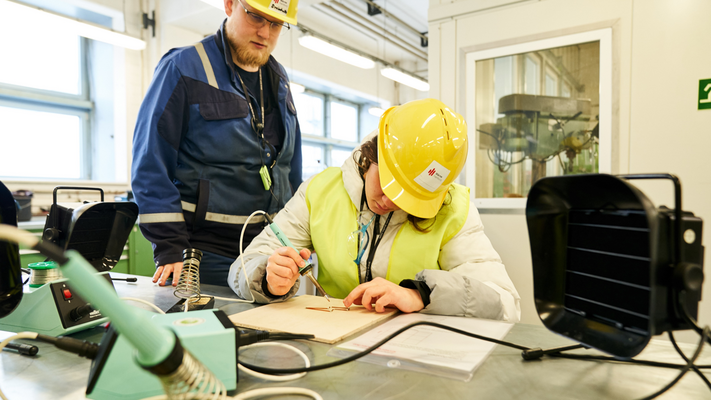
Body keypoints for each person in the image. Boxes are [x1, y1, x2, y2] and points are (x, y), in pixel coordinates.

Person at [228, 99, 521, 320]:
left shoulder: (454, 209)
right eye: (390, 183)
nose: (390, 201)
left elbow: (504, 303)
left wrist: (421, 293)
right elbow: (244, 265)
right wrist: (267, 277)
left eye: (411, 196)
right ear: (372, 155)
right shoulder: (320, 191)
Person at [131, 0, 302, 287]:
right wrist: (169, 246)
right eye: (256, 17)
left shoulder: (278, 79)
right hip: (201, 254)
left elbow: (289, 166)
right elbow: (151, 163)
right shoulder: (183, 68)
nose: (265, 33)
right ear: (230, 5)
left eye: (276, 24)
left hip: (267, 251)